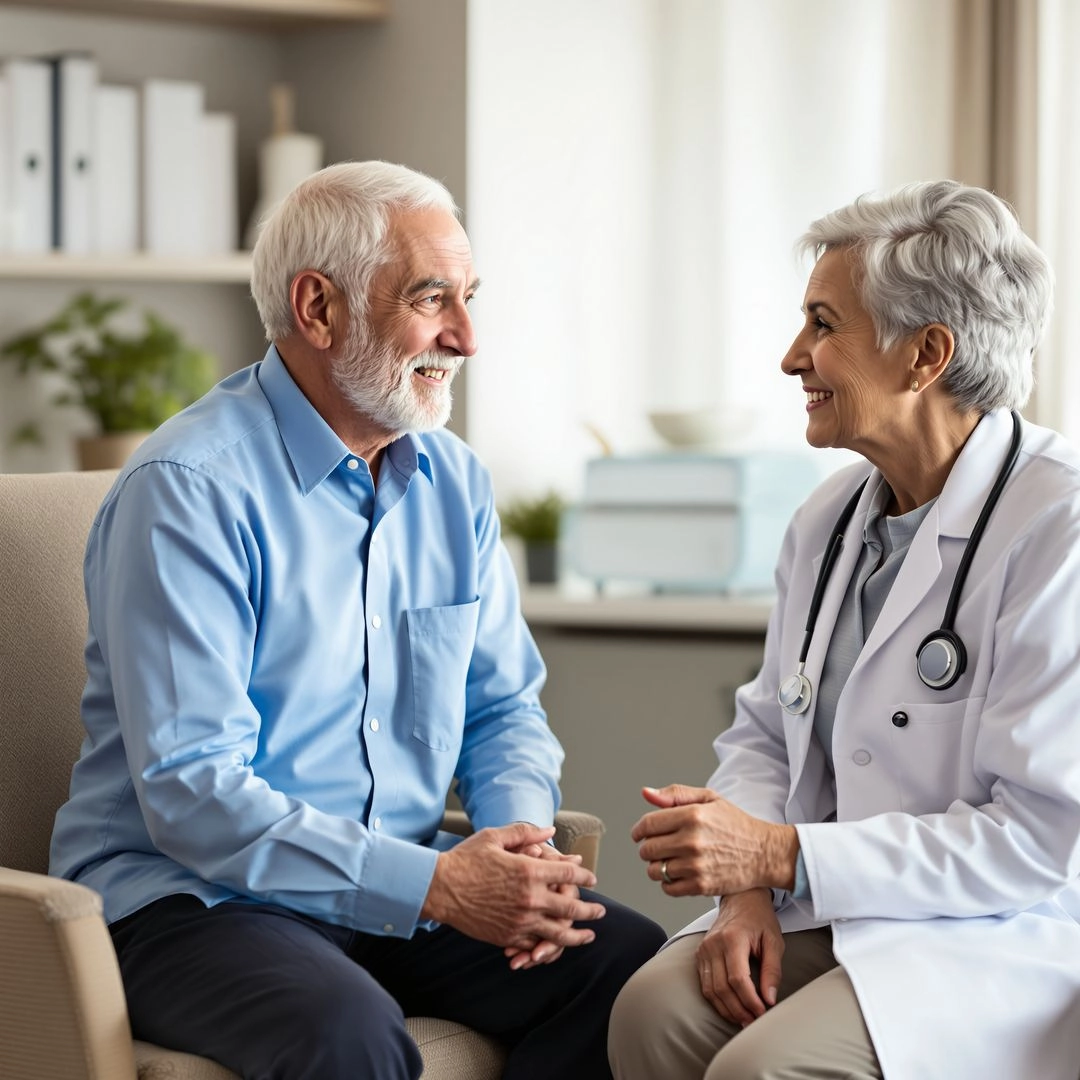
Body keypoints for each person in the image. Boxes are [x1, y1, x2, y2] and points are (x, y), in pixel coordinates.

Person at [49, 160, 665, 1080]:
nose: (465, 336)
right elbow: (192, 788)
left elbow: (503, 711)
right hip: (194, 902)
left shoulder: (454, 483)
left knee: (624, 966)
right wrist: (439, 884)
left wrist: (517, 855)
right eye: (431, 299)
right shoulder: (187, 491)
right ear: (318, 307)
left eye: (469, 297)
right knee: (347, 1033)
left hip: (403, 887)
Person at [608, 180, 1080, 1080]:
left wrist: (779, 854)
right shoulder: (828, 519)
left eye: (824, 325)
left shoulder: (1060, 527)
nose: (794, 358)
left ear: (926, 355)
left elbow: (1034, 840)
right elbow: (764, 735)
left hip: (994, 931)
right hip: (830, 904)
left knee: (766, 1068)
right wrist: (745, 888)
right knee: (653, 1012)